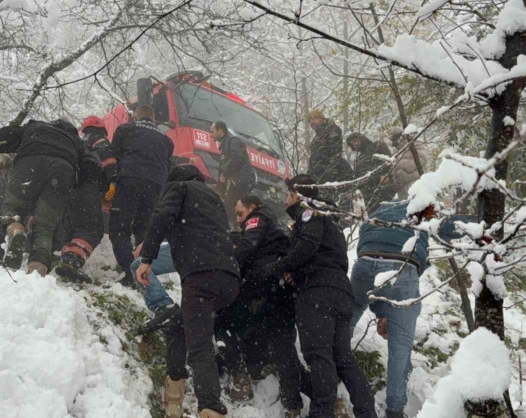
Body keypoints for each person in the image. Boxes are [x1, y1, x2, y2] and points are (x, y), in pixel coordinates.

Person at [248, 174, 377, 418]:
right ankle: (366, 412)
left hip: (317, 294)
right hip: (340, 290)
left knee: (319, 356)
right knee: (343, 360)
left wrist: (280, 267)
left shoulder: (309, 210)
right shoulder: (330, 218)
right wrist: (299, 272)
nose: (286, 200)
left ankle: (321, 412)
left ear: (297, 193)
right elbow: (325, 255)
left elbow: (307, 245)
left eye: (288, 194)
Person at [136, 164, 240, 418]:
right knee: (178, 328)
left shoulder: (179, 187)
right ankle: (173, 399)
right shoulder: (213, 197)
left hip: (200, 277)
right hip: (229, 279)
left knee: (199, 347)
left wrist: (147, 258)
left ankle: (211, 407)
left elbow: (162, 216)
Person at [350, 201, 465, 418]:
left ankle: (325, 368)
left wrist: (382, 311)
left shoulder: (381, 209)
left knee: (346, 319)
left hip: (364, 263)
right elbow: (456, 226)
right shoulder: (424, 211)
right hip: (401, 266)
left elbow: (366, 235)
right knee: (400, 350)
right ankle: (394, 411)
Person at [214, 194, 306, 416]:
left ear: (252, 208)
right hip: (284, 290)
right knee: (284, 348)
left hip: (262, 282)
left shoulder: (258, 218)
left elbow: (247, 248)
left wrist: (225, 269)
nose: (238, 220)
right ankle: (294, 404)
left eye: (239, 213)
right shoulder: (281, 227)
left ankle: (240, 376)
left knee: (221, 320)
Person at [0, 119, 83, 277]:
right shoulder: (75, 142)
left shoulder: (34, 129)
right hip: (62, 171)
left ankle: (15, 232)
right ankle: (36, 273)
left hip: (28, 170)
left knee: (11, 211)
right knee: (45, 228)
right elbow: (90, 166)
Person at [110, 104, 174, 286]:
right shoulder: (167, 140)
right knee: (144, 229)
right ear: (154, 119)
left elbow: (114, 156)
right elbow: (168, 166)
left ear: (135, 116)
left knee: (119, 229)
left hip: (129, 179)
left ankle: (131, 271)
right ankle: (143, 270)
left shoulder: (125, 129)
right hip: (156, 185)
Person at [51, 149, 103, 283]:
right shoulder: (91, 154)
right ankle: (72, 259)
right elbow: (102, 176)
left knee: (72, 227)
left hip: (66, 188)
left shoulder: (68, 151)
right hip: (86, 188)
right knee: (91, 228)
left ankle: (66, 257)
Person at [210, 121, 256, 224]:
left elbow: (236, 158)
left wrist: (225, 174)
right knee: (231, 206)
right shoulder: (226, 142)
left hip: (240, 181)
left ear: (220, 130)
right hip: (238, 181)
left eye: (212, 131)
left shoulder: (232, 140)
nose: (210, 134)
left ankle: (233, 230)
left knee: (230, 206)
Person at [346, 132, 394, 212]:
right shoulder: (358, 159)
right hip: (368, 194)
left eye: (355, 140)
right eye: (352, 143)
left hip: (383, 187)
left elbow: (388, 161)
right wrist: (352, 190)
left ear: (361, 139)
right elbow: (357, 178)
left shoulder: (377, 146)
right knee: (374, 218)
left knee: (388, 213)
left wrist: (385, 174)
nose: (354, 144)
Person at [307, 109, 352, 185]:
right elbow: (313, 158)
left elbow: (334, 151)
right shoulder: (315, 138)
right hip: (317, 174)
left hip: (331, 172)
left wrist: (328, 171)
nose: (311, 122)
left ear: (321, 118)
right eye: (309, 121)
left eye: (314, 119)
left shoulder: (332, 129)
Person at [389, 132, 430, 199]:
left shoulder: (415, 143)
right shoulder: (396, 151)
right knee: (405, 208)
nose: (393, 143)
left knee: (416, 206)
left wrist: (404, 168)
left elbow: (422, 158)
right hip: (401, 185)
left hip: (413, 181)